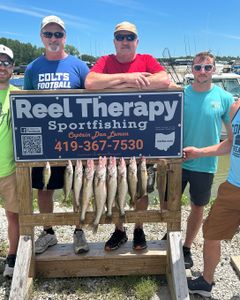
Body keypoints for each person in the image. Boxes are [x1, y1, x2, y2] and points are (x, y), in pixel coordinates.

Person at [85, 21, 171, 251]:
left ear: (137, 41)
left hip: (142, 137)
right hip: (110, 137)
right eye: (120, 37)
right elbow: (90, 82)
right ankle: (119, 230)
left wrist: (112, 83)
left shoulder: (147, 59)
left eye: (129, 37)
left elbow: (164, 80)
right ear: (114, 41)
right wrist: (131, 79)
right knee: (114, 187)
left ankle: (139, 229)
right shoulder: (105, 61)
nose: (125, 41)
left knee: (141, 189)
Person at [24, 15, 90, 255]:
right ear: (41, 37)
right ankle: (49, 231)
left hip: (75, 140)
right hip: (45, 142)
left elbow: (93, 102)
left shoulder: (79, 66)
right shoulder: (32, 68)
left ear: (65, 37)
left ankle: (79, 231)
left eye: (58, 34)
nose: (54, 38)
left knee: (79, 188)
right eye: (49, 34)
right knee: (44, 189)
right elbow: (25, 105)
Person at [177, 51, 234, 269]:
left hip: (205, 163)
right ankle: (170, 237)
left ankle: (186, 247)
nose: (202, 72)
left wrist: (201, 152)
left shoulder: (225, 98)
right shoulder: (180, 94)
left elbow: (230, 141)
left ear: (214, 70)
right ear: (192, 69)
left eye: (207, 68)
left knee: (197, 208)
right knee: (168, 204)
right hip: (178, 162)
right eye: (198, 67)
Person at [184, 99, 240, 297]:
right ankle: (206, 282)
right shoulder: (235, 107)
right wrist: (199, 152)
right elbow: (231, 143)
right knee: (211, 233)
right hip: (232, 186)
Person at [0, 44, 20, 277]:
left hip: (10, 169)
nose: (2, 66)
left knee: (13, 214)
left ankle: (13, 255)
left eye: (6, 62)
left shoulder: (18, 95)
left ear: (12, 68)